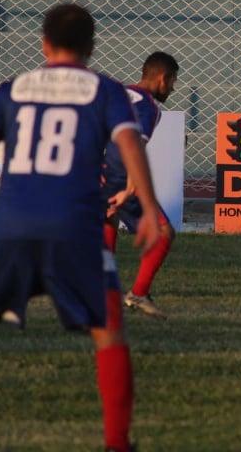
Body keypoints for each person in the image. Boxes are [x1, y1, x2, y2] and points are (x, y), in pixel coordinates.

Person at [0, 4, 161, 452]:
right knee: (108, 333)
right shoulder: (105, 90)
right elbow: (129, 142)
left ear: (44, 43)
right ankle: (117, 443)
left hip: (11, 228)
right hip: (75, 227)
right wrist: (148, 205)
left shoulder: (14, 88)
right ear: (91, 48)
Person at [101, 52, 179, 319]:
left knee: (107, 221)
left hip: (93, 170)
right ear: (162, 78)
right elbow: (135, 146)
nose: (173, 88)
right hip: (119, 174)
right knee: (164, 232)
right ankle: (138, 293)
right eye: (173, 82)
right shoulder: (148, 106)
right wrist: (131, 188)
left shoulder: (118, 94)